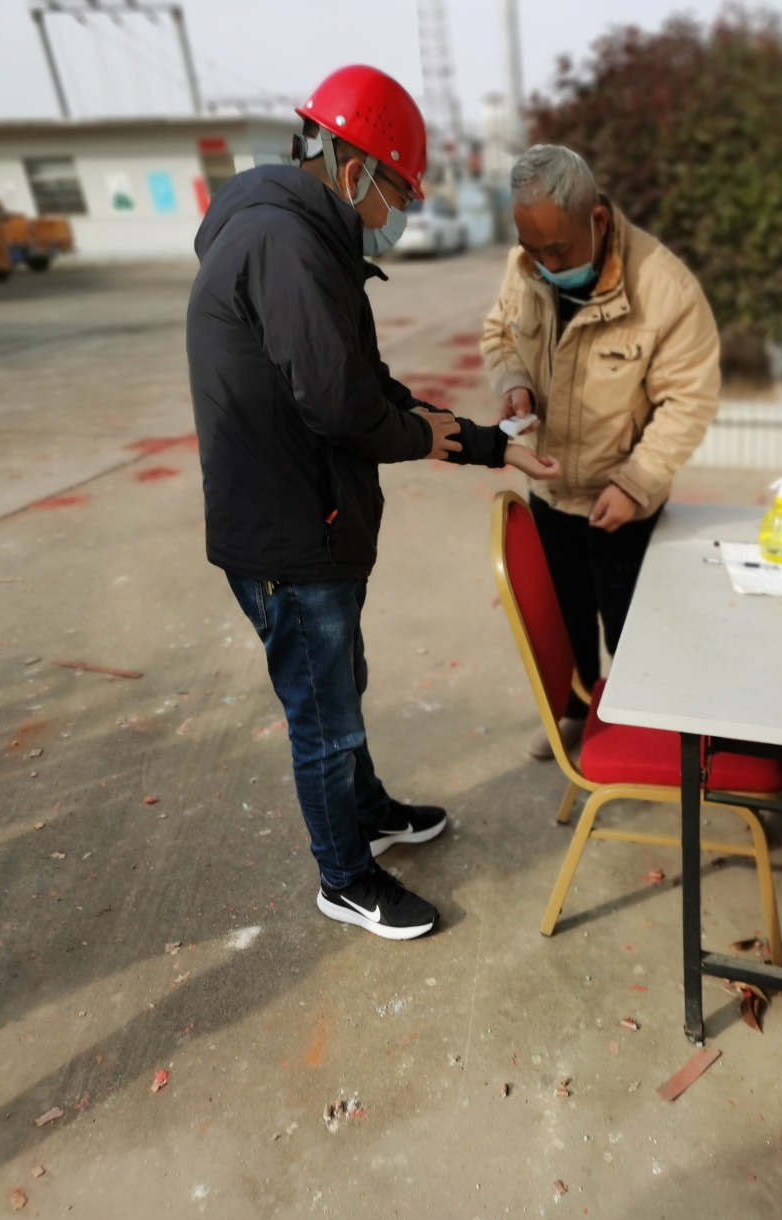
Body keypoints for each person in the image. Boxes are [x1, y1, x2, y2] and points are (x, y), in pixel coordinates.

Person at [186, 66, 559, 940]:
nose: (400, 212)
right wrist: (422, 437)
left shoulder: (303, 240)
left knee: (339, 690)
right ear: (354, 169)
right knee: (323, 720)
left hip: (311, 524)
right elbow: (341, 406)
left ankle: (368, 811)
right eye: (399, 191)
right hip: (290, 538)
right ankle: (344, 878)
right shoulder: (285, 244)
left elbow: (367, 385)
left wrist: (487, 444)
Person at [482, 144, 719, 759]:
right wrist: (514, 381)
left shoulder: (664, 289)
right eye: (532, 247)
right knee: (563, 623)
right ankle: (573, 715)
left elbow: (689, 398)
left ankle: (646, 737)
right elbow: (500, 332)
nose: (545, 263)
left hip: (621, 503)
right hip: (551, 486)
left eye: (558, 250)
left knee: (632, 628)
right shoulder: (526, 265)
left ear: (597, 219)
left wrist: (637, 482)